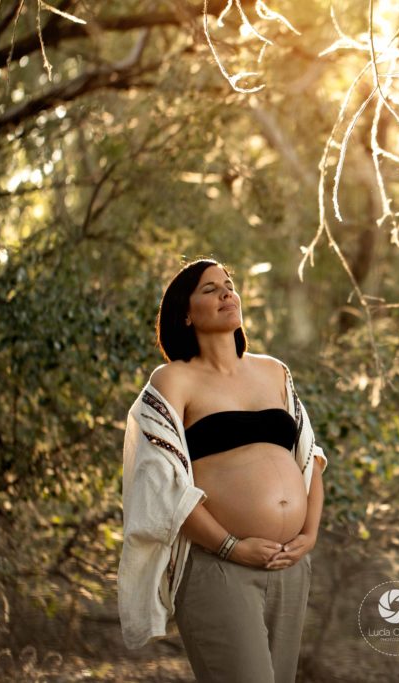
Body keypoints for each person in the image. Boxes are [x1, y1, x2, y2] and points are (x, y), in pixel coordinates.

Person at [117, 257, 328, 683]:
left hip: (290, 567)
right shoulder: (173, 380)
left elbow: (310, 460)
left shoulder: (274, 372)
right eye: (209, 289)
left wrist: (309, 535)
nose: (226, 293)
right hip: (219, 566)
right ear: (185, 314)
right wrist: (231, 546)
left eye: (228, 285)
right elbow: (164, 486)